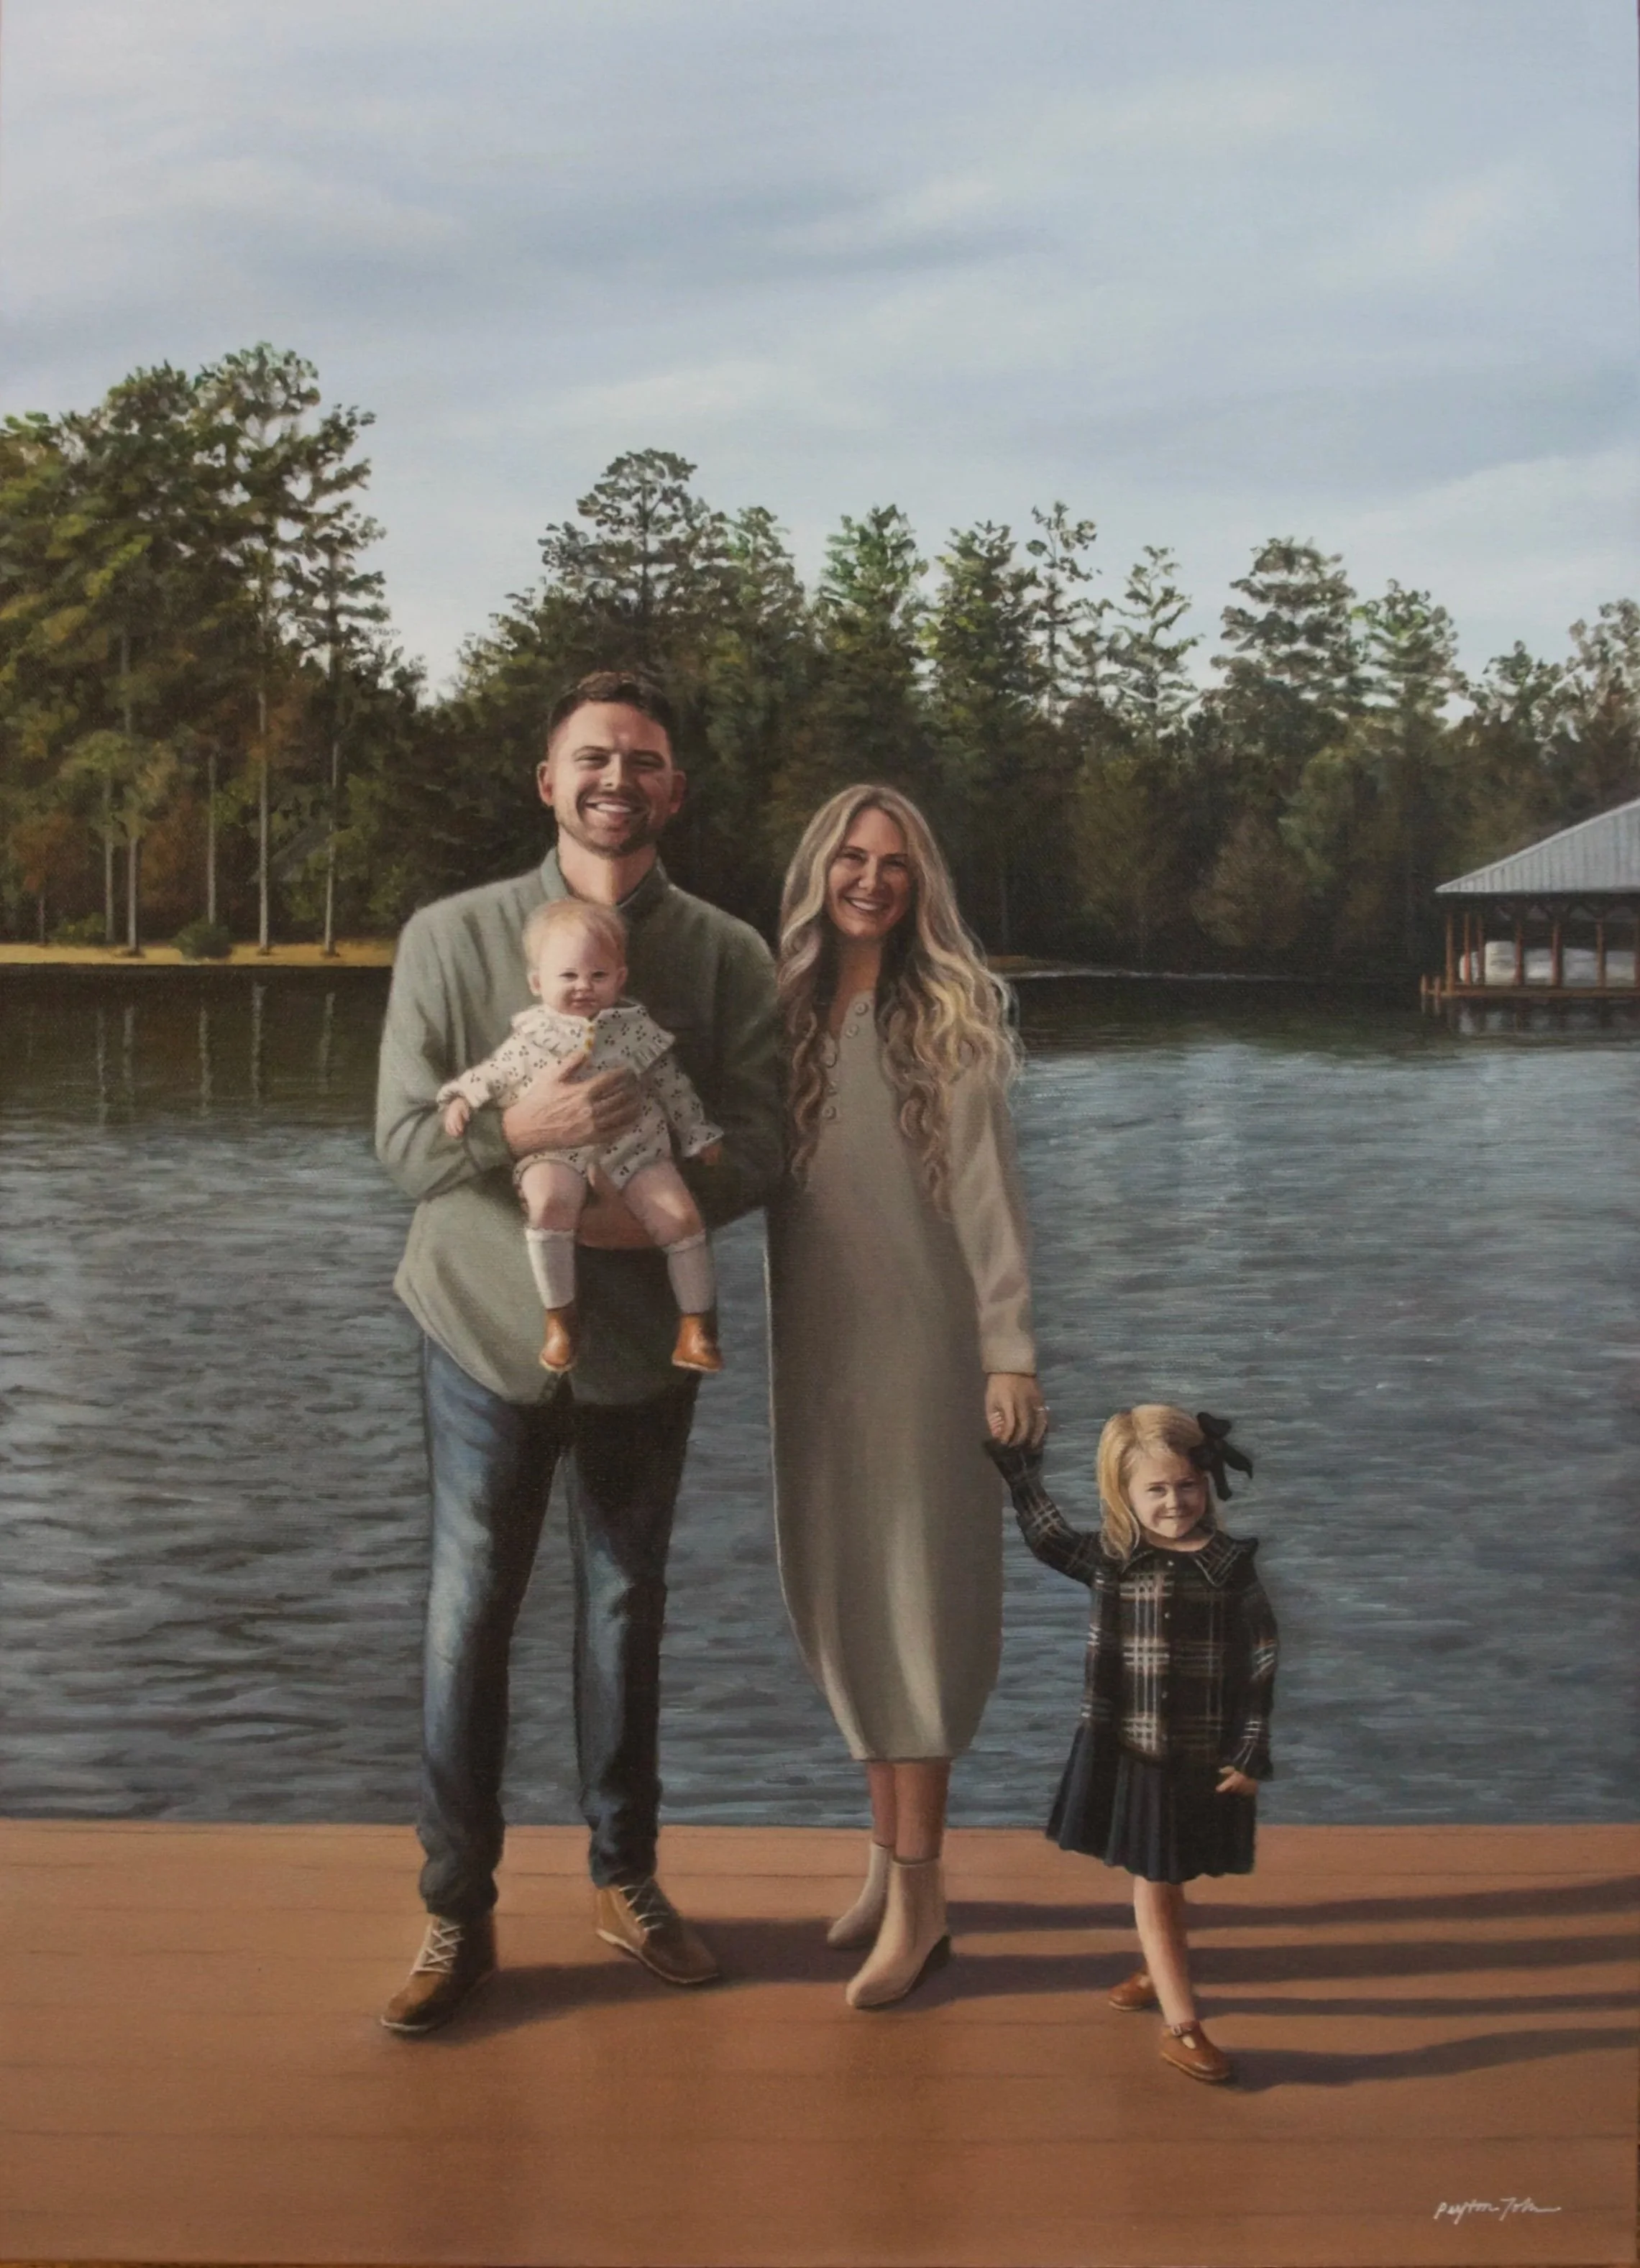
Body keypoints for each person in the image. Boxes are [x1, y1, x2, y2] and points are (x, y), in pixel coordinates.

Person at [375, 668, 783, 2034]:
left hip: (641, 1348)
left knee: (623, 1605)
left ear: (675, 789)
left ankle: (627, 1883)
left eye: (645, 760)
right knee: (468, 1604)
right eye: (592, 757)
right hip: (480, 1327)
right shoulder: (449, 935)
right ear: (547, 781)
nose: (619, 778)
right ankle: (455, 1912)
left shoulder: (724, 955)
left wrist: (634, 1221)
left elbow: (765, 1146)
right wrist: (520, 1138)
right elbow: (400, 1143)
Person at [766, 784, 1047, 2011]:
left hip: (929, 1350)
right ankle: (886, 1864)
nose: (870, 878)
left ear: (918, 881)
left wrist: (1010, 1352)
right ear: (820, 871)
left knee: (918, 1598)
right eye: (850, 857)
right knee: (839, 1589)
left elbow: (989, 1201)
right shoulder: (784, 1016)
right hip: (816, 1351)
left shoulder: (952, 1020)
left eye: (891, 862)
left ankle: (926, 1899)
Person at [987, 1405, 1278, 2084]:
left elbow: (1261, 1654)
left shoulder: (1229, 1566)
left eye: (1186, 1486)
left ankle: (1157, 1965)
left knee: (1169, 1870)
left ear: (1206, 1483)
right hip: (1135, 1752)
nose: (1174, 1502)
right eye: (1155, 1489)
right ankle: (1183, 2024)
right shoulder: (1112, 1561)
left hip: (1204, 1752)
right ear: (1122, 1493)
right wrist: (1021, 1471)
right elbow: (1045, 1535)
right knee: (1152, 1877)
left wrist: (1251, 1746)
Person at [437, 896, 727, 1376]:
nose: (582, 988)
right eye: (567, 976)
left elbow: (674, 1089)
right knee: (549, 1202)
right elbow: (494, 1073)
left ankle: (694, 1326)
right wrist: (462, 1097)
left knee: (680, 1215)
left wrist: (697, 1133)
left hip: (635, 1149)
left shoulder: (637, 1033)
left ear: (620, 978)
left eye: (597, 976)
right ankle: (559, 1319)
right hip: (555, 1148)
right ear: (537, 983)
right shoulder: (532, 1037)